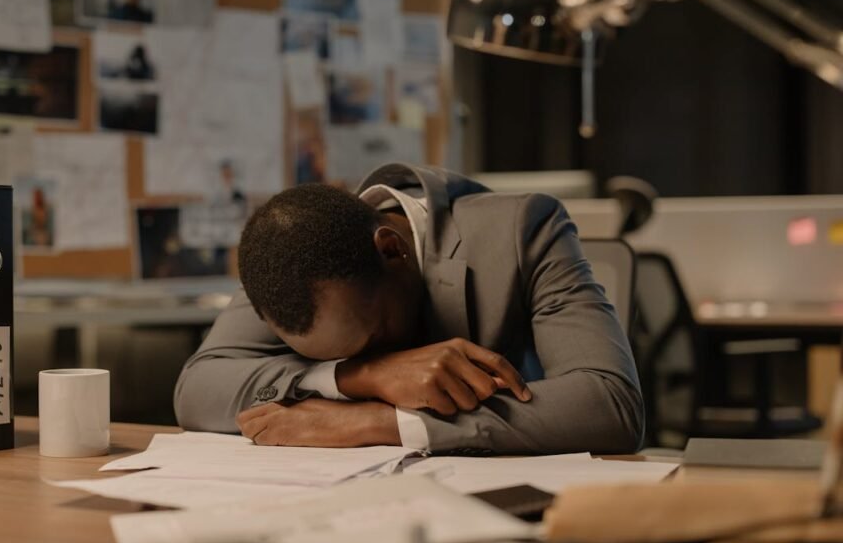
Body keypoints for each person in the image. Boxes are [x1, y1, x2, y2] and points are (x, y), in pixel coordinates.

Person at [174, 164, 644, 454]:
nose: (371, 356)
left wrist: (379, 422)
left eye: (374, 339)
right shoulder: (289, 260)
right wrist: (359, 376)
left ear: (392, 250)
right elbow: (197, 390)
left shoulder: (525, 229)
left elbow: (609, 406)